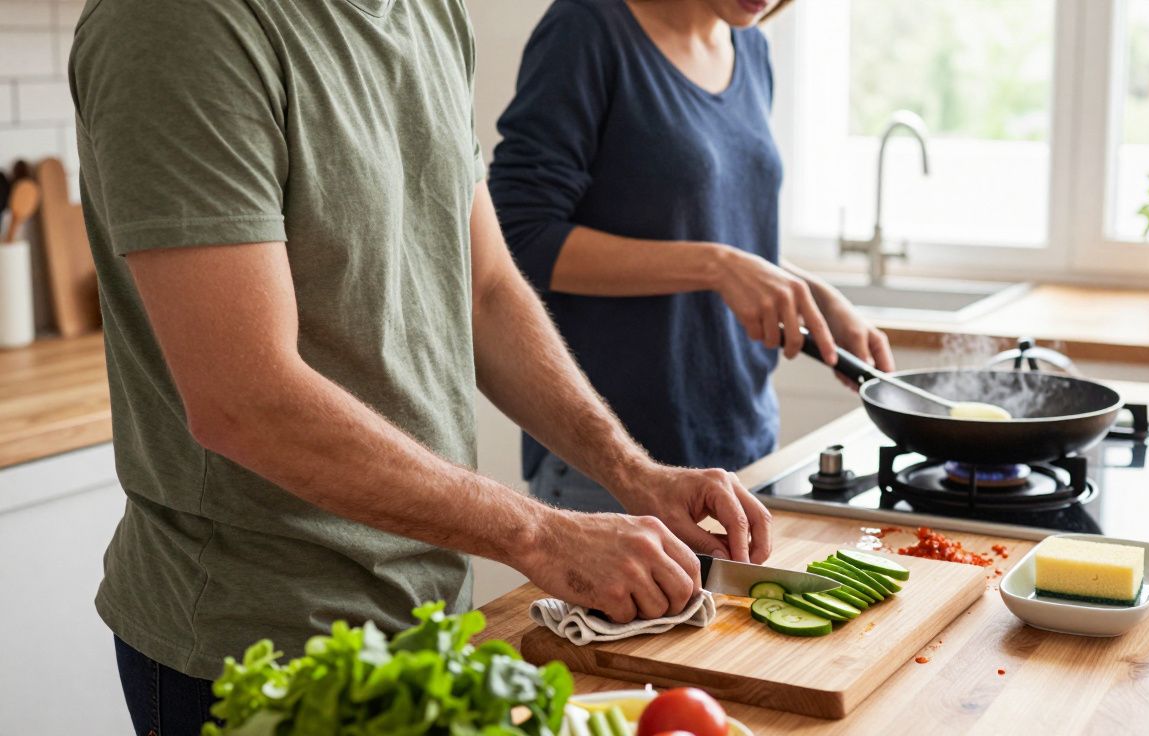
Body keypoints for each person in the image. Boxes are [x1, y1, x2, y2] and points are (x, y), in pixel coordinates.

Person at [69, 0, 770, 733]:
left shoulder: (428, 10)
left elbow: (485, 292)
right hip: (256, 648)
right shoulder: (177, 21)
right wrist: (544, 535)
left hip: (427, 619)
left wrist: (632, 472)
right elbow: (246, 401)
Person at [489, 0, 896, 513]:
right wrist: (716, 265)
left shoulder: (749, 44)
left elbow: (714, 228)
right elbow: (519, 237)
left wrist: (818, 297)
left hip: (742, 444)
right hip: (617, 464)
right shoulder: (586, 29)